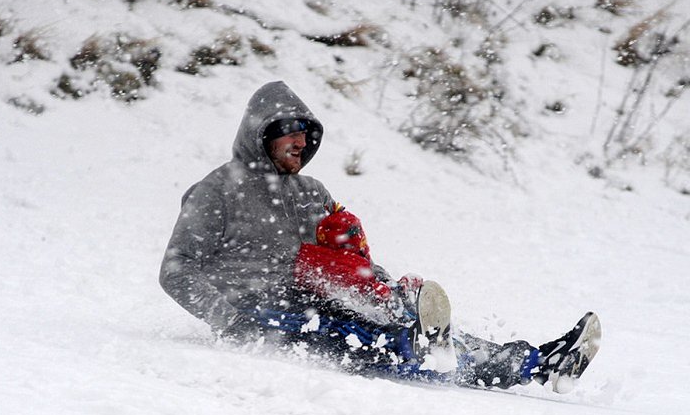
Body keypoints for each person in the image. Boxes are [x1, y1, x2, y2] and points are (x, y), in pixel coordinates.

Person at [160, 81, 600, 392]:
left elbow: (344, 255)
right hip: (255, 312)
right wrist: (231, 321)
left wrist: (383, 286)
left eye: (304, 134)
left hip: (308, 294)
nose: (299, 141)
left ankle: (537, 363)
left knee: (404, 320)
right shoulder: (217, 190)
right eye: (287, 133)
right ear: (261, 136)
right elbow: (176, 271)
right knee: (350, 334)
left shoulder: (312, 192)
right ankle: (414, 347)